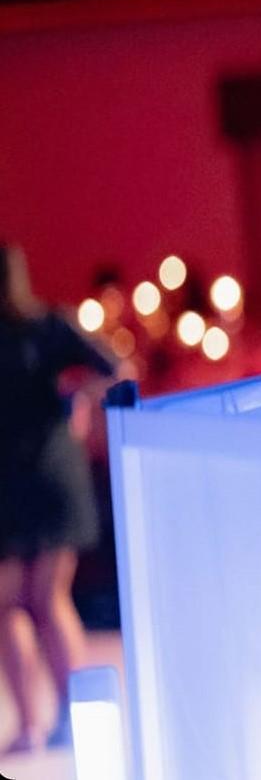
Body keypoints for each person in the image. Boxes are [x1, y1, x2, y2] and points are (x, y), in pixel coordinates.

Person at [0, 242, 117, 753]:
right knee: (44, 600)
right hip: (44, 475)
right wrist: (77, 402)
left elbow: (109, 368)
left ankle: (35, 724)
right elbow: (112, 367)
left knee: (16, 604)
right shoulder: (48, 325)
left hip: (21, 478)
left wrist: (76, 401)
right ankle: (66, 719)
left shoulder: (44, 327)